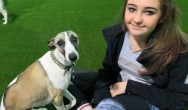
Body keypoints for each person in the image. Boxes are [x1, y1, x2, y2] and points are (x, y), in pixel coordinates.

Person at [71, 0, 188, 109]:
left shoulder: (180, 50)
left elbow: (177, 100)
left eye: (149, 12)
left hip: (148, 98)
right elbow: (107, 73)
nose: (137, 19)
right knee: (66, 77)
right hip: (118, 84)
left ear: (163, 16)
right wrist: (99, 98)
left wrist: (129, 87)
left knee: (110, 105)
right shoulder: (118, 37)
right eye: (132, 9)